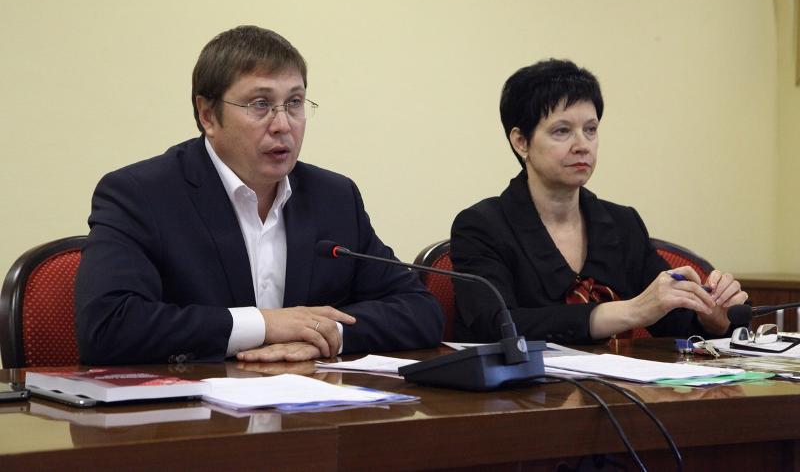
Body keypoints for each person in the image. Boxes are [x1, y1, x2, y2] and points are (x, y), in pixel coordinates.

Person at [75, 25, 443, 364]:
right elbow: (108, 326)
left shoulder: (334, 197)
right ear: (208, 115)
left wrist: (325, 333)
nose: (283, 125)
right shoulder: (142, 194)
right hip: (190, 408)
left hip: (307, 404)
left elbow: (420, 310)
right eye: (260, 104)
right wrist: (264, 325)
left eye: (295, 103)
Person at [450, 59, 747, 344]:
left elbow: (674, 321)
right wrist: (630, 311)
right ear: (521, 142)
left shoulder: (622, 223)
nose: (582, 145)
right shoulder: (481, 226)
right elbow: (495, 326)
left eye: (590, 129)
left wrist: (712, 317)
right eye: (562, 131)